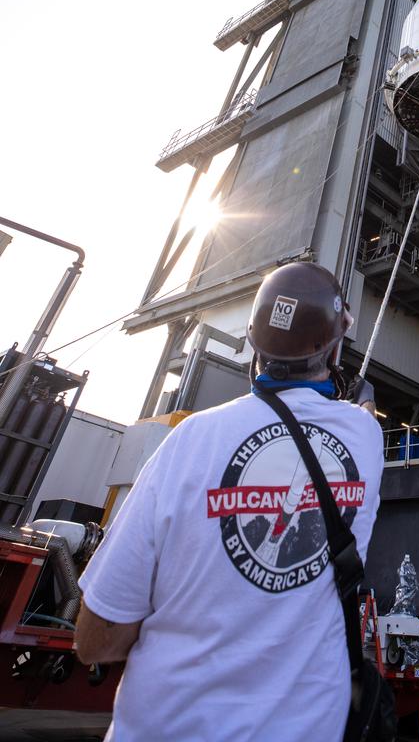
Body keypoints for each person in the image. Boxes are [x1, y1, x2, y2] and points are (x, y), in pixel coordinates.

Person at [75, 262, 383, 742]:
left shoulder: (188, 440)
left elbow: (97, 640)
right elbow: (360, 411)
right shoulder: (365, 438)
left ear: (253, 344)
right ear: (335, 344)